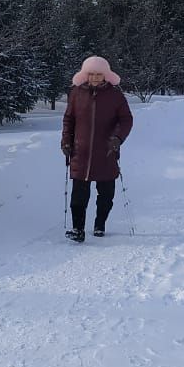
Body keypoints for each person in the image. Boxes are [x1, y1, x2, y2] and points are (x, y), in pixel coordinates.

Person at [61, 56, 133, 242]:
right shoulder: (76, 93)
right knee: (78, 196)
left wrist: (117, 138)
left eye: (98, 74)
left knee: (106, 194)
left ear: (105, 75)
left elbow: (126, 119)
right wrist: (66, 142)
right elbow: (69, 119)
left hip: (106, 151)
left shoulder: (115, 95)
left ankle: (100, 223)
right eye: (91, 74)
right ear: (85, 74)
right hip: (81, 153)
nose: (94, 77)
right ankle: (78, 229)